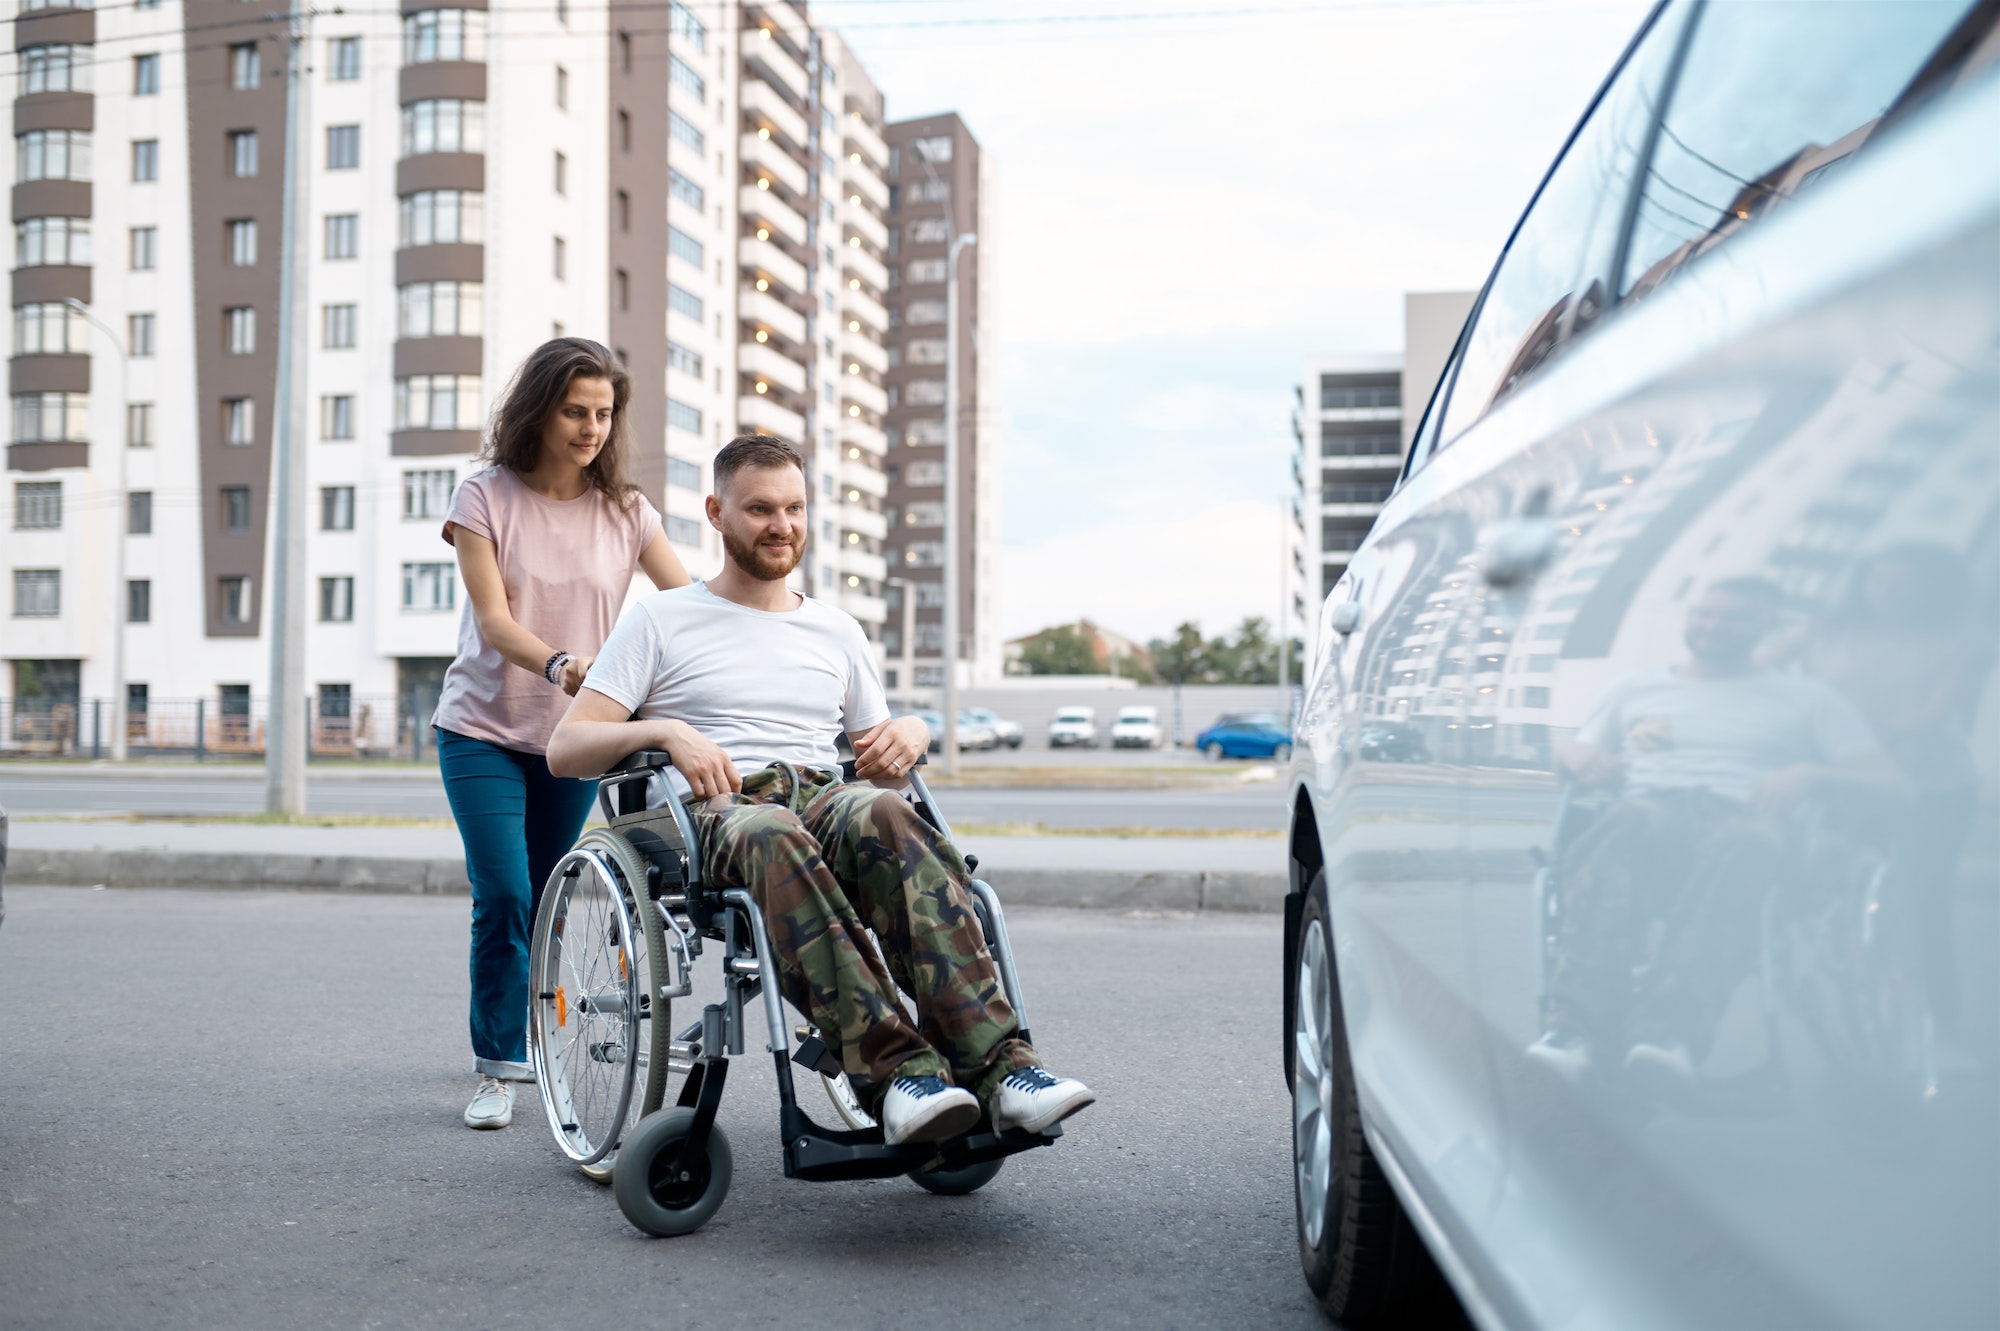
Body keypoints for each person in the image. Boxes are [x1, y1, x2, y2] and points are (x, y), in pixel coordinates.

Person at [546, 434, 1095, 1147]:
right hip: (719, 808)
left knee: (892, 813)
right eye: (760, 509)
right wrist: (671, 731)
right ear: (716, 512)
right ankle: (900, 1076)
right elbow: (566, 747)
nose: (782, 525)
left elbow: (881, 767)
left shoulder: (836, 629)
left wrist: (913, 730)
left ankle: (1003, 1070)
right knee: (771, 831)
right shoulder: (661, 618)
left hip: (822, 794)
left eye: (795, 508)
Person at [435, 338, 691, 1130]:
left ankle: (536, 1045)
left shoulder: (628, 512)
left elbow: (686, 604)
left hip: (574, 741)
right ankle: (497, 1065)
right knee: (505, 892)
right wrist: (561, 665)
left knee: (550, 898)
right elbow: (495, 621)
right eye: (575, 411)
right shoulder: (485, 497)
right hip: (482, 728)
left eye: (604, 414)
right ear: (540, 410)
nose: (590, 428)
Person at [1530, 577, 1908, 1083]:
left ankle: (1669, 1033)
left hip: (1748, 815)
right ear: (1690, 617)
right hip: (1651, 809)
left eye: (1734, 618)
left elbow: (1891, 784)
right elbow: (1568, 759)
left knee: (1746, 844)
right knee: (1620, 822)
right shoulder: (1635, 688)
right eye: (1706, 614)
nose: (1714, 627)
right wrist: (1575, 752)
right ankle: (1573, 1030)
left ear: (1765, 627)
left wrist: (1813, 774)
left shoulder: (1806, 699)